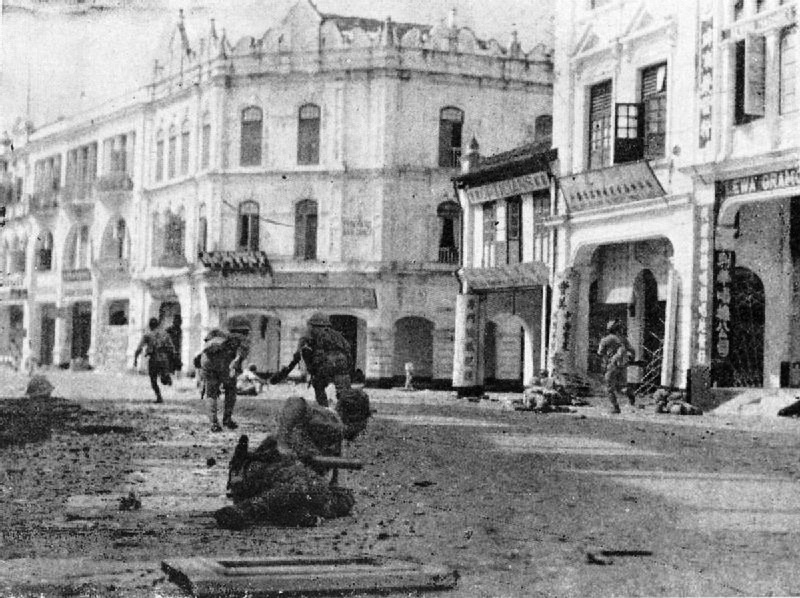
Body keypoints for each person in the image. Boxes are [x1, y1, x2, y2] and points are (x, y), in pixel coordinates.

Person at [214, 391, 370, 530]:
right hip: (262, 470)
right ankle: (245, 511)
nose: (364, 428)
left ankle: (287, 513)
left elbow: (336, 487)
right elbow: (295, 402)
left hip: (269, 483)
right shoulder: (331, 420)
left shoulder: (337, 437)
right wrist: (283, 445)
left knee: (338, 497)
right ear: (357, 418)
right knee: (311, 485)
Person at [270, 313, 352, 407]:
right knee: (344, 392)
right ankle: (347, 410)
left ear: (311, 325)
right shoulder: (337, 335)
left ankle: (324, 408)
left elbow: (296, 357)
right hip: (342, 364)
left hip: (324, 365)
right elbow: (348, 350)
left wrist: (282, 374)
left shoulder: (308, 335)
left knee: (318, 385)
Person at [200, 327, 249, 432]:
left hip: (206, 361)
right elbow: (239, 358)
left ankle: (214, 423)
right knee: (231, 390)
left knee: (210, 394)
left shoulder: (216, 336)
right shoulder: (241, 339)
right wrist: (235, 368)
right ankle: (227, 420)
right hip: (223, 362)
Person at [133, 317, 176, 404]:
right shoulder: (165, 334)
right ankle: (166, 377)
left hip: (153, 359)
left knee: (153, 379)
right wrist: (172, 360)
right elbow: (171, 348)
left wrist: (135, 359)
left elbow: (139, 348)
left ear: (149, 325)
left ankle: (159, 397)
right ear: (158, 324)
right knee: (163, 378)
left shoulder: (147, 335)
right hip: (164, 359)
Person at [596, 319, 635, 414]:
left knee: (609, 388)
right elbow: (632, 351)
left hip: (611, 365)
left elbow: (600, 353)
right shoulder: (623, 339)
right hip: (622, 365)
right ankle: (629, 392)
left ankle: (616, 407)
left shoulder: (605, 340)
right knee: (621, 387)